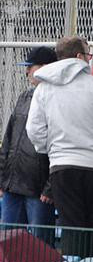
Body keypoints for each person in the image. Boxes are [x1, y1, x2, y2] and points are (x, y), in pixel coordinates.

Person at [26, 37, 93, 258]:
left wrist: (49, 148)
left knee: (71, 225)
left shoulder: (44, 89)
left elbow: (34, 129)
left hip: (62, 164)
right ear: (80, 57)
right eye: (89, 55)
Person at [0, 47, 58, 243]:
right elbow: (8, 140)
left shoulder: (58, 99)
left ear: (45, 68)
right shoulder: (24, 97)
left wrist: (50, 187)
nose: (26, 72)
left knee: (39, 245)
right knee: (9, 243)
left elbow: (60, 146)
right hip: (13, 185)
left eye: (30, 67)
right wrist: (3, 178)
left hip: (38, 188)